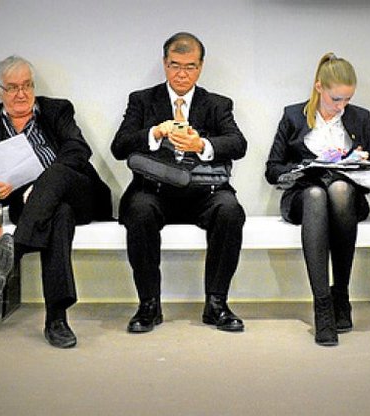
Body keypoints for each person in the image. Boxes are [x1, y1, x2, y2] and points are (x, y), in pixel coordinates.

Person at [111, 32, 247, 333]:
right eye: (175, 65)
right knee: (139, 210)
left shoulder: (217, 104)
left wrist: (201, 144)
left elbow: (238, 144)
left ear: (200, 67)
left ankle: (216, 304)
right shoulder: (141, 100)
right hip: (154, 191)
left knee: (230, 210)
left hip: (204, 191)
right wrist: (155, 133)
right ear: (164, 63)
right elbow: (119, 147)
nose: (181, 74)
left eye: (189, 66)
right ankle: (149, 305)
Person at [0, 55, 112, 348]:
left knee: (58, 172)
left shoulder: (57, 109)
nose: (22, 93)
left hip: (78, 193)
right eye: (13, 87)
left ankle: (17, 248)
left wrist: (42, 183)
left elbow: (78, 149)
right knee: (59, 216)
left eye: (27, 85)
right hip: (33, 206)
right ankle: (56, 319)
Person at [265, 52, 370, 346]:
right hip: (304, 196)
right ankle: (323, 306)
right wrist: (305, 167)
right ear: (318, 87)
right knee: (316, 195)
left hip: (346, 198)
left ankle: (341, 294)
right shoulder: (293, 116)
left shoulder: (360, 117)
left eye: (347, 99)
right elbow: (272, 170)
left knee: (338, 190)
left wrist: (358, 163)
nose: (341, 106)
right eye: (335, 99)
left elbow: (369, 173)